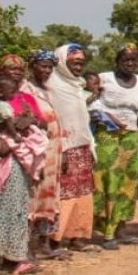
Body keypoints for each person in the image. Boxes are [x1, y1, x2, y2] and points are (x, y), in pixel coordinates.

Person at [0, 75, 48, 275]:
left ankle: (10, 256)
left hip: (13, 162)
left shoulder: (8, 103)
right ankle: (11, 258)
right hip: (9, 162)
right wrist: (16, 132)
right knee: (11, 207)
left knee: (16, 207)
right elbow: (3, 128)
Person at [92, 45, 138, 250]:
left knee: (128, 183)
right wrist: (104, 116)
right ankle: (107, 233)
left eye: (134, 60)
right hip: (107, 137)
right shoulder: (104, 79)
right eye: (125, 60)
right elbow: (89, 101)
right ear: (117, 61)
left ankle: (122, 229)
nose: (130, 64)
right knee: (108, 181)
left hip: (131, 137)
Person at [46, 45, 97, 253]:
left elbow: (82, 119)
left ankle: (78, 236)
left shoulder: (77, 85)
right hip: (64, 148)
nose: (78, 67)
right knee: (64, 194)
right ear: (62, 62)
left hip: (82, 146)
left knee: (83, 193)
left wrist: (91, 147)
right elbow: (55, 120)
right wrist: (63, 149)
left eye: (81, 63)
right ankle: (55, 239)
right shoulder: (53, 86)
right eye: (74, 63)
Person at [22, 48, 68, 260]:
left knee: (49, 198)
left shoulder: (49, 90)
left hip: (53, 154)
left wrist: (64, 151)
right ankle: (26, 246)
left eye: (50, 67)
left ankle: (44, 243)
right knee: (33, 198)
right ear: (32, 67)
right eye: (43, 66)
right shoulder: (26, 90)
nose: (47, 71)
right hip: (36, 155)